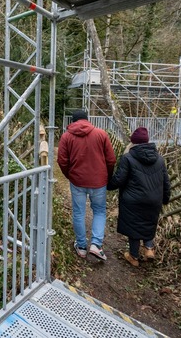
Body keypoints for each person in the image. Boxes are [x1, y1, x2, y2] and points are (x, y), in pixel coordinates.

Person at [57, 110, 116, 261]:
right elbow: (111, 159)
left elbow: (62, 161)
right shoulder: (101, 134)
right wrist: (106, 176)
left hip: (77, 181)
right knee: (100, 211)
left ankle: (82, 247)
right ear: (87, 120)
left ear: (73, 121)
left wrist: (69, 175)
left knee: (78, 213)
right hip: (99, 181)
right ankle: (96, 244)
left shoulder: (66, 136)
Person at [107, 127, 171, 267]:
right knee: (149, 222)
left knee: (134, 227)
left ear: (133, 143)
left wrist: (108, 185)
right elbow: (166, 181)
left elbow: (119, 179)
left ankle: (133, 256)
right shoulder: (159, 159)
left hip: (133, 200)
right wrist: (165, 198)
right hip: (154, 199)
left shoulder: (128, 158)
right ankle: (149, 249)